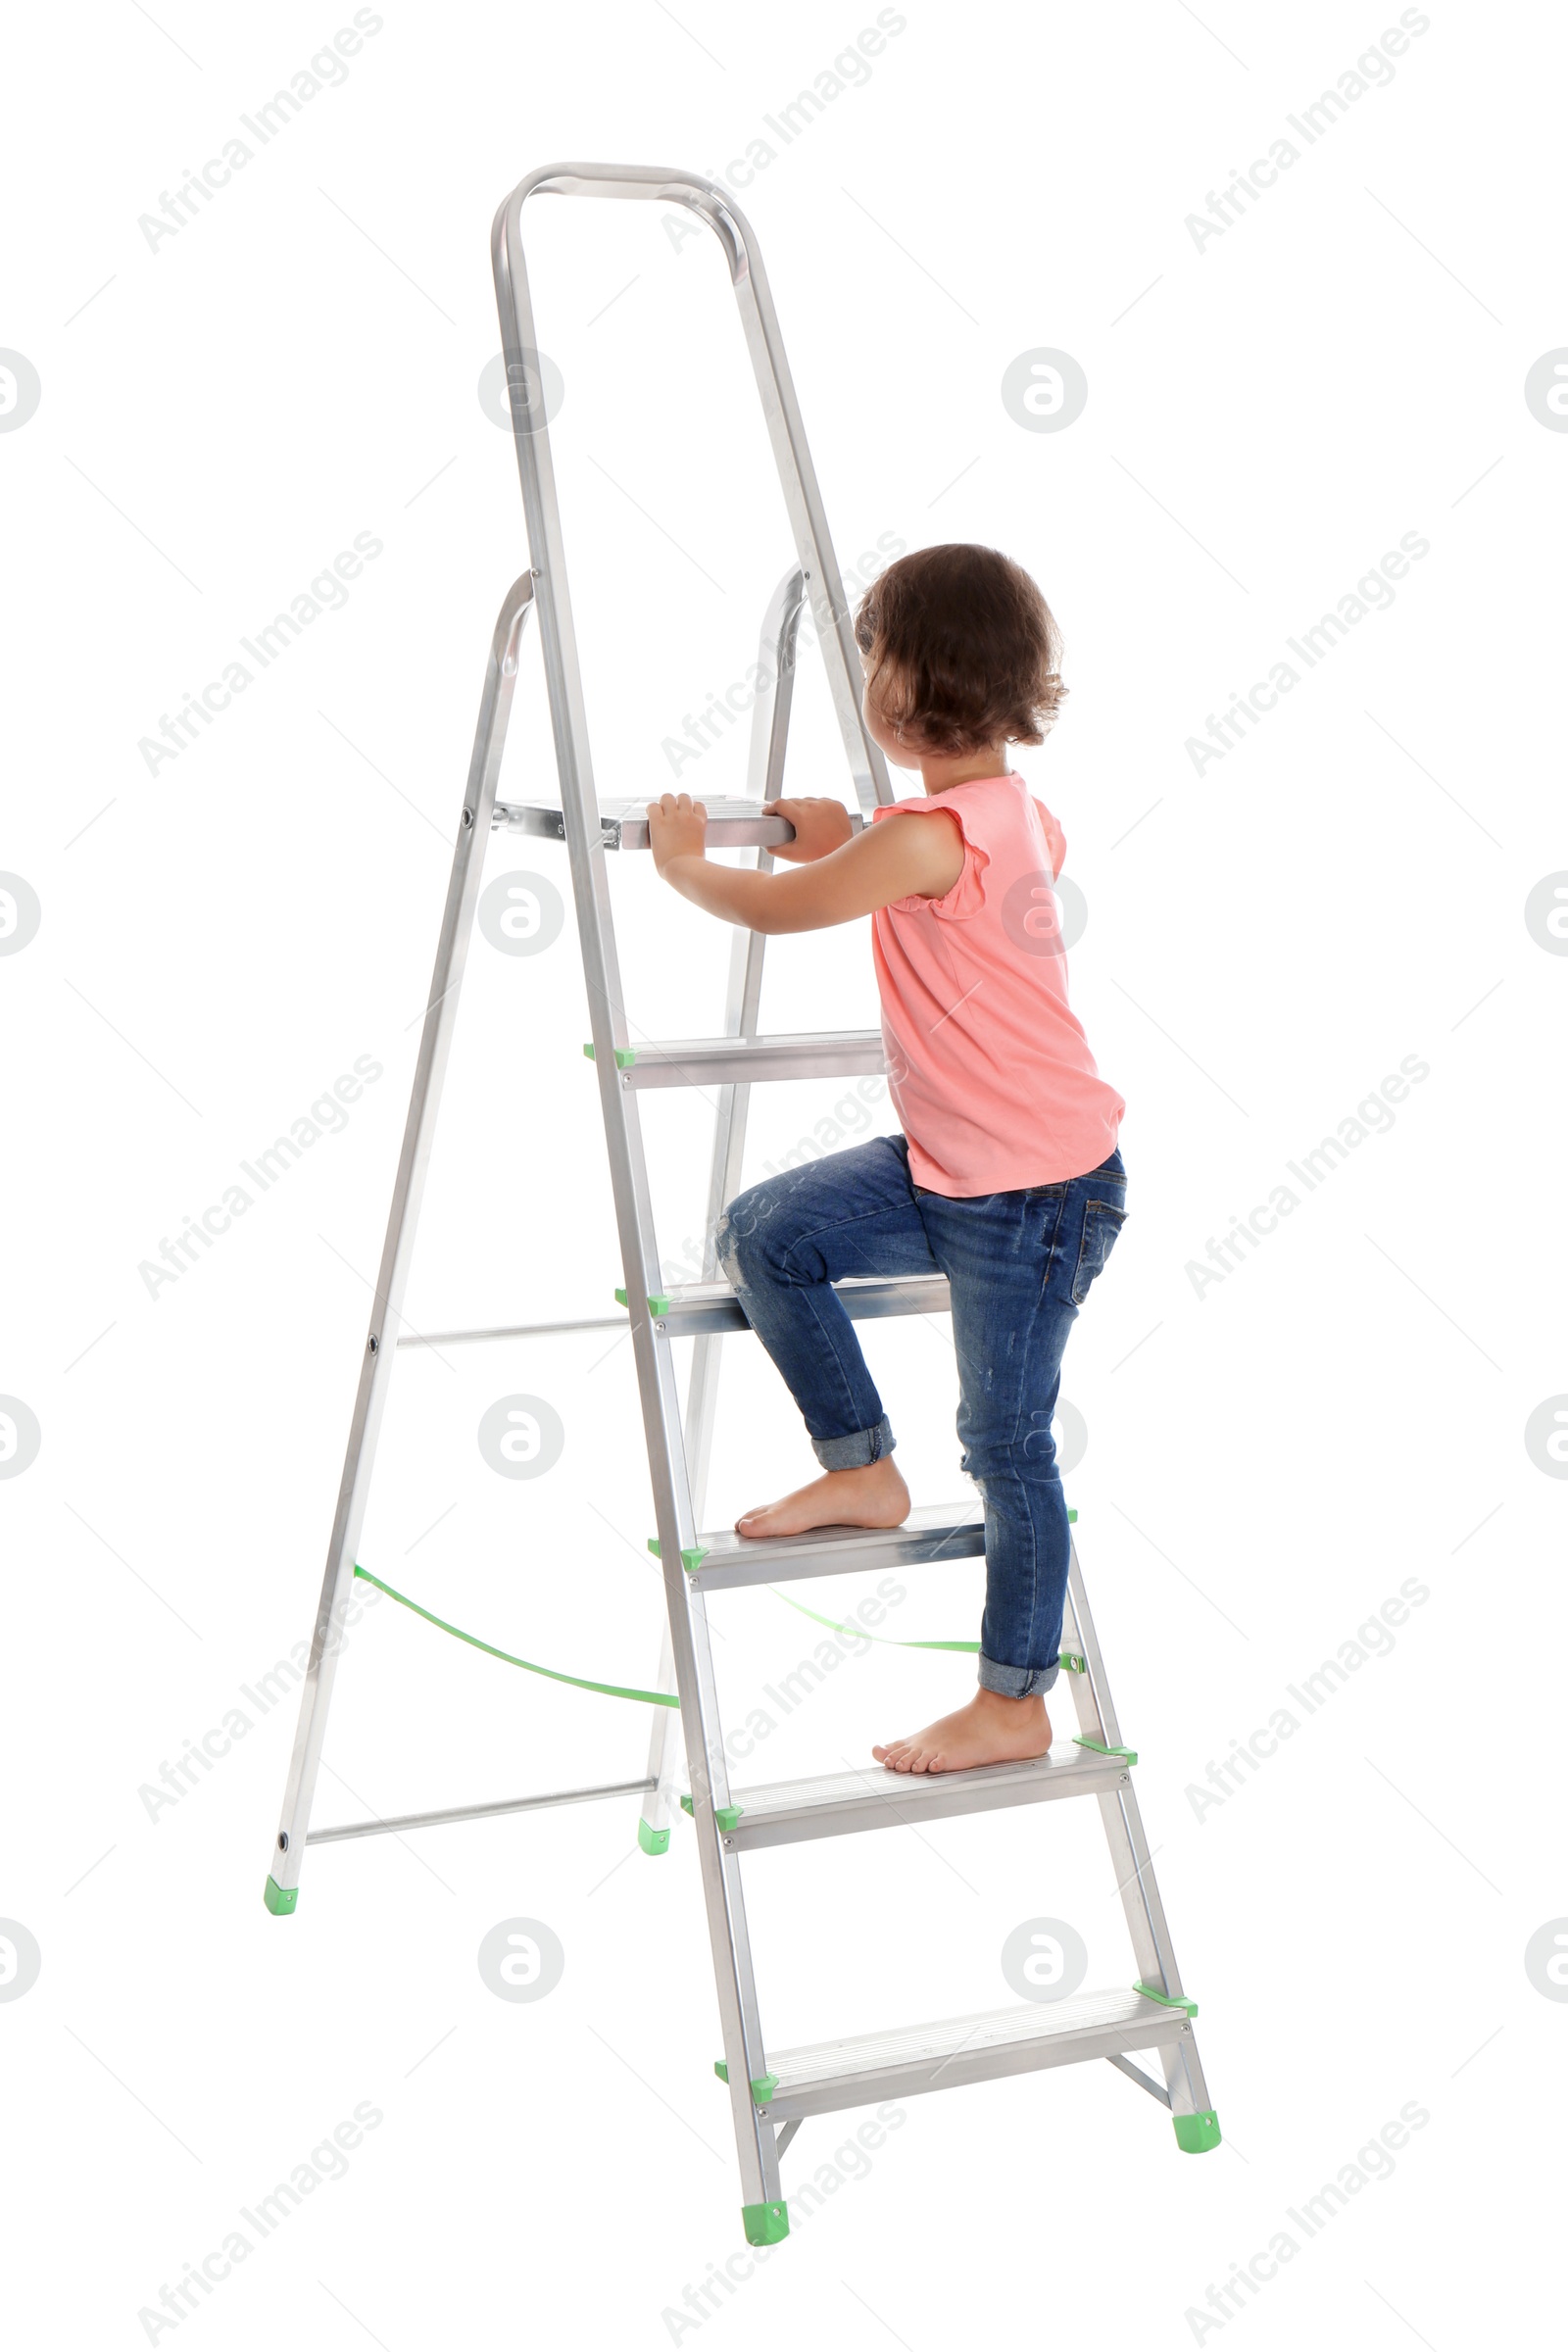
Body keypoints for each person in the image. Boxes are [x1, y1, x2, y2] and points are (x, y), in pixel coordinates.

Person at [645, 543, 1126, 1776]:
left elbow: (787, 908)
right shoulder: (1012, 813)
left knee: (1006, 1442)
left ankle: (1013, 1702)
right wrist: (838, 830)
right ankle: (860, 1465)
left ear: (911, 683)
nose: (864, 672)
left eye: (871, 653)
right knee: (768, 1232)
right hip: (959, 1166)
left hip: (1033, 1195)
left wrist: (695, 864)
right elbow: (914, 857)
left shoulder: (927, 837)